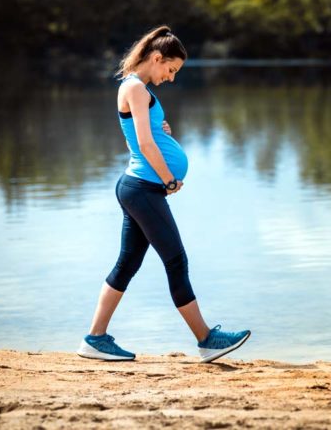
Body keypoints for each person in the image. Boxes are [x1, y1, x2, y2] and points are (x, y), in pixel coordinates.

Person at [77, 25, 250, 363]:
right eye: (170, 70)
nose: (171, 78)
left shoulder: (135, 88)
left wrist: (162, 129)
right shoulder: (137, 88)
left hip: (137, 187)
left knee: (127, 264)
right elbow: (143, 143)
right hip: (143, 189)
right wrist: (169, 179)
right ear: (156, 58)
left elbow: (146, 132)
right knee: (176, 260)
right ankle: (206, 340)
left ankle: (95, 339)